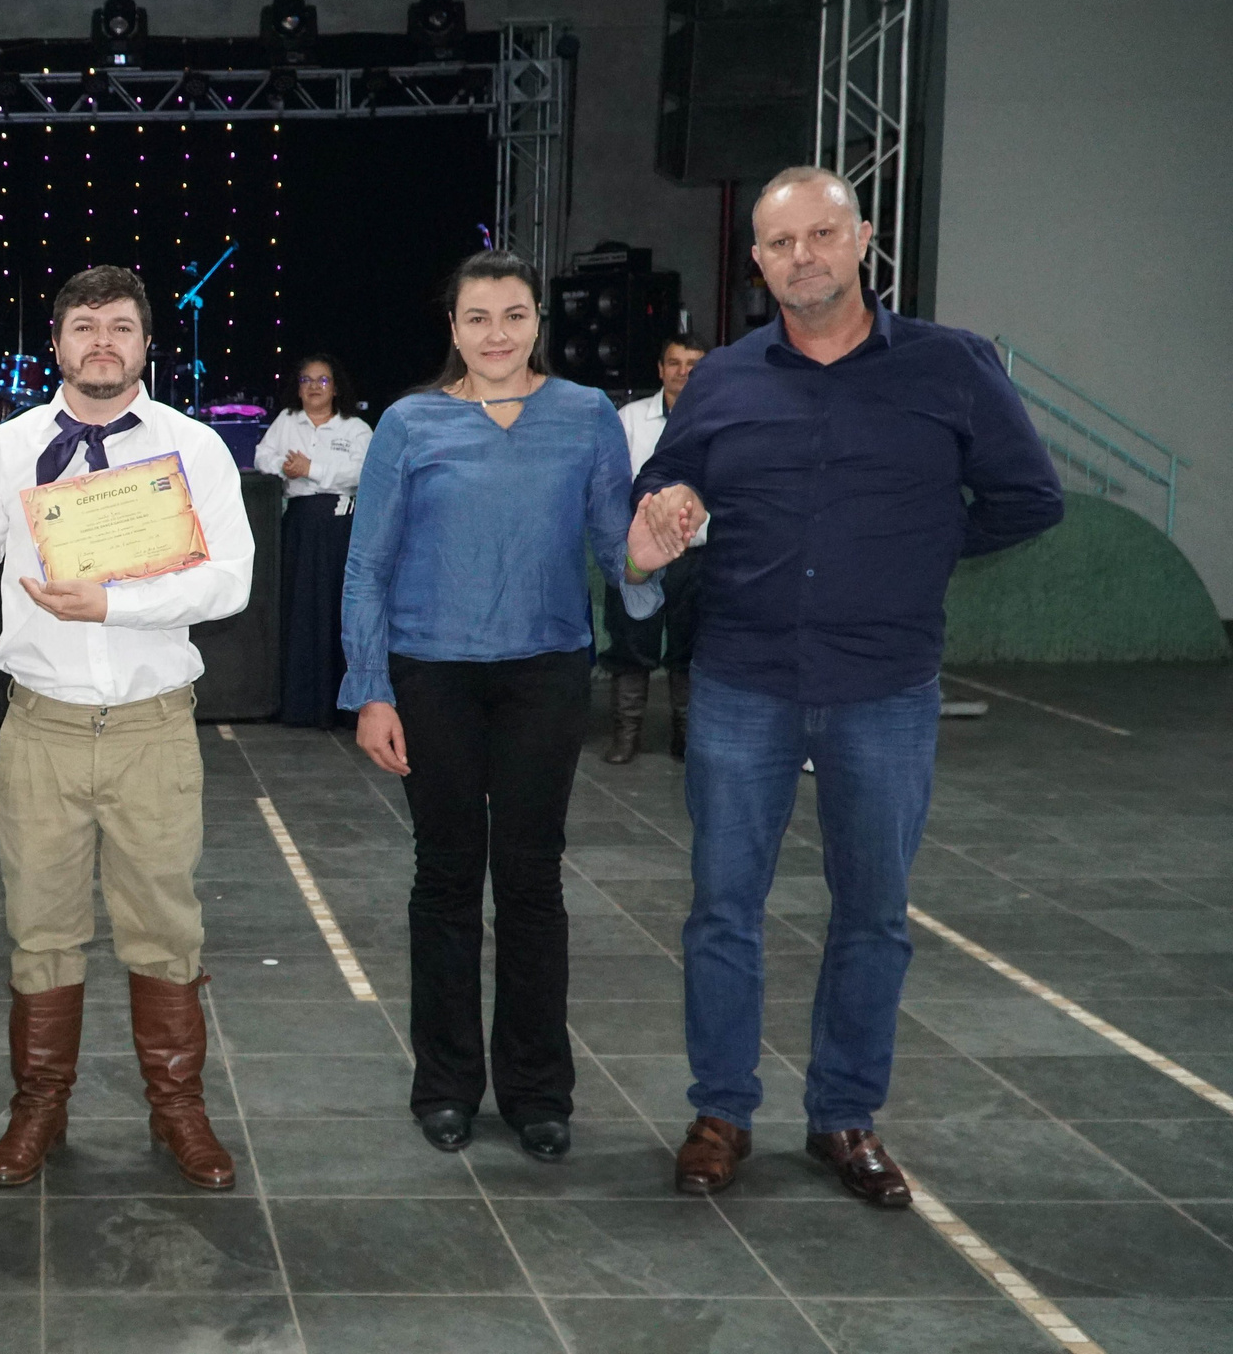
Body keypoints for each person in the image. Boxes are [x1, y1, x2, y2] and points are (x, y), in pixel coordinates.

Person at [637, 168, 1062, 1206]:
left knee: (872, 912)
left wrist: (919, 550)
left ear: (862, 237)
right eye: (781, 244)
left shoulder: (952, 366)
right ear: (757, 262)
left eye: (823, 233)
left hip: (884, 682)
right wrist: (660, 510)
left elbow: (1027, 496)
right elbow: (665, 482)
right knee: (722, 910)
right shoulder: (726, 381)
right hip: (743, 679)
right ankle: (720, 1111)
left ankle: (843, 1116)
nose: (804, 257)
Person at [340, 249, 689, 1164]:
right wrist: (372, 688)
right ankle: (446, 1084)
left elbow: (619, 550)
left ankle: (539, 1090)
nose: (497, 334)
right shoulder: (408, 424)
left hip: (546, 674)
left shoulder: (584, 418)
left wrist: (651, 553)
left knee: (532, 882)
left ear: (539, 321)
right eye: (478, 318)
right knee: (447, 878)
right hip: (432, 676)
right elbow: (366, 567)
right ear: (452, 328)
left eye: (515, 315)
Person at [0, 266, 255, 1191]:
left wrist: (111, 601)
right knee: (41, 930)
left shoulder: (195, 448)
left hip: (154, 728)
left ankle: (178, 1106)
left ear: (148, 342)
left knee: (165, 928)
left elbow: (231, 579)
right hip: (42, 731)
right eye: (82, 326)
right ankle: (40, 1105)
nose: (101, 341)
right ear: (57, 345)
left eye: (119, 326)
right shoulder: (7, 448)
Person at [599, 334, 710, 764]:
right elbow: (610, 489)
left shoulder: (722, 417)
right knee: (630, 645)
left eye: (694, 365)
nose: (684, 372)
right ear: (660, 370)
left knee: (691, 650)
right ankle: (626, 737)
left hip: (700, 557)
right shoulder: (628, 418)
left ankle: (685, 739)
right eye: (676, 364)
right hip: (639, 560)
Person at [256, 352, 373, 727]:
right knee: (302, 610)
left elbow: (362, 473)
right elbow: (263, 456)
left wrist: (312, 469)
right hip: (301, 529)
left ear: (335, 387)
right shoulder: (288, 421)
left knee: (338, 611)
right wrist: (286, 469)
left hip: (342, 531)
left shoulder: (355, 428)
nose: (313, 388)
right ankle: (303, 705)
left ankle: (344, 706)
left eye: (322, 381)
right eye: (306, 380)